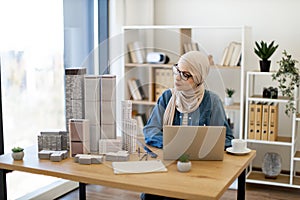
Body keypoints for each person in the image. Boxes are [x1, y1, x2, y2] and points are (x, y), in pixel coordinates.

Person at [140, 51, 234, 200]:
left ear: (198, 78)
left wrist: (202, 147)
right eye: (177, 70)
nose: (177, 77)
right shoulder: (167, 97)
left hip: (200, 168)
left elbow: (227, 138)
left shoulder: (212, 101)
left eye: (185, 74)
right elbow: (150, 130)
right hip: (169, 163)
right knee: (151, 194)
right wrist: (174, 146)